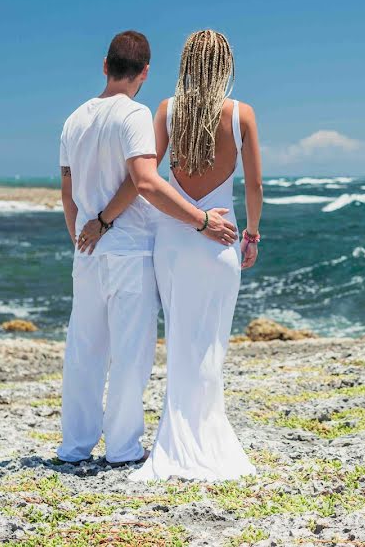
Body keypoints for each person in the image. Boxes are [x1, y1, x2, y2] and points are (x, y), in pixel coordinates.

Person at [81, 29, 262, 481]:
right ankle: (205, 436)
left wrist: (104, 219)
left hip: (173, 242)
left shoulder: (166, 111)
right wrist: (252, 235)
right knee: (212, 344)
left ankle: (176, 439)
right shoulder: (242, 115)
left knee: (180, 339)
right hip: (220, 240)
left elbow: (142, 178)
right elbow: (256, 187)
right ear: (225, 65)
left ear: (185, 64)